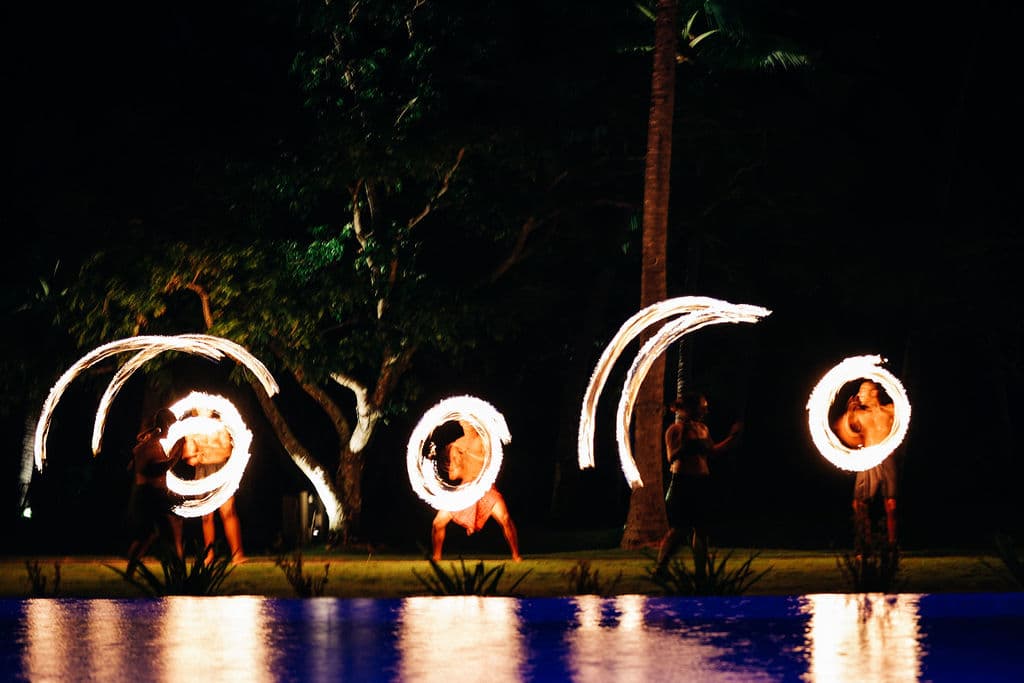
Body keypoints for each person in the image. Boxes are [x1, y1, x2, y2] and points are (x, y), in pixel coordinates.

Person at [655, 392, 742, 576]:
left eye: (705, 407)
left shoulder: (703, 429)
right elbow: (672, 457)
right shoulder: (674, 430)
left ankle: (701, 572)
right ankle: (661, 567)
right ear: (689, 409)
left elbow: (713, 451)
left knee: (701, 529)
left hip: (701, 482)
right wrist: (688, 438)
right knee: (679, 529)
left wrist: (732, 437)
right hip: (683, 483)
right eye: (702, 407)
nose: (705, 410)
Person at [428, 420, 522, 562]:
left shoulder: (485, 441)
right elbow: (453, 476)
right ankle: (436, 556)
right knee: (438, 523)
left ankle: (516, 555)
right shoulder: (456, 445)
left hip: (485, 489)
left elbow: (494, 459)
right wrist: (454, 464)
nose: (465, 424)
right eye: (463, 422)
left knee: (505, 519)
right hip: (466, 490)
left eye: (468, 422)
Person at [832, 379, 898, 550]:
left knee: (891, 505)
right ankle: (864, 546)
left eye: (863, 391)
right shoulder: (860, 415)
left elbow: (906, 417)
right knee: (859, 504)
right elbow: (846, 434)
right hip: (869, 459)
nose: (859, 395)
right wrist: (849, 416)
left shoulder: (891, 410)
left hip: (887, 458)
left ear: (874, 393)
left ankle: (892, 545)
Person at [181, 407, 246, 564]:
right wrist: (197, 457)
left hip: (221, 470)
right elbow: (189, 458)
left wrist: (205, 454)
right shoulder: (191, 430)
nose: (206, 409)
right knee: (206, 516)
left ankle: (237, 554)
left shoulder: (220, 426)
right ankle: (209, 555)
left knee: (228, 511)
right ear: (196, 410)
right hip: (203, 473)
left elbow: (227, 451)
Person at [125, 407, 184, 572]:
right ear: (165, 426)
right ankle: (177, 570)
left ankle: (131, 568)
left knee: (152, 534)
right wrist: (173, 459)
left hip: (151, 494)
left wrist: (173, 457)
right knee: (160, 532)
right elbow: (147, 468)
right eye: (171, 427)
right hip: (148, 495)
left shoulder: (152, 443)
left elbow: (136, 466)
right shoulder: (149, 445)